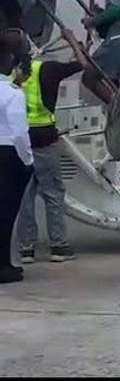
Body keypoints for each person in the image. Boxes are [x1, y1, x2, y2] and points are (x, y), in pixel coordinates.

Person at [16, 26, 92, 265]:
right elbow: (82, 65)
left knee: (25, 197)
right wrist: (72, 41)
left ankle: (26, 248)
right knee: (53, 192)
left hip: (19, 139)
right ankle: (58, 245)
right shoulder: (47, 69)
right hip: (45, 137)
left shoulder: (9, 74)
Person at [0, 29, 34, 283]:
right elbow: (20, 134)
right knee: (7, 213)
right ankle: (4, 266)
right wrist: (28, 161)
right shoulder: (12, 94)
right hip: (9, 155)